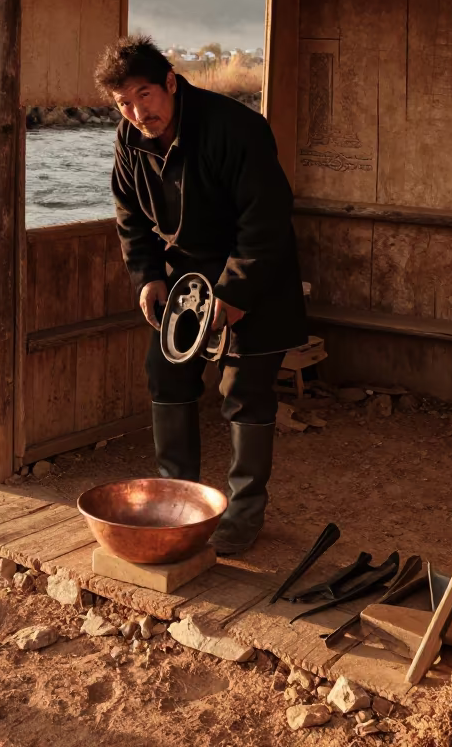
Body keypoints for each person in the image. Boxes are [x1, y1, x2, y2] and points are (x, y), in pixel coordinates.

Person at [95, 35, 308, 554]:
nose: (137, 111)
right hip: (185, 282)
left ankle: (243, 514)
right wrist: (147, 275)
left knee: (244, 391)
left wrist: (235, 294)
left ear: (170, 82)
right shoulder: (130, 138)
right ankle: (177, 500)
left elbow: (266, 220)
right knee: (165, 375)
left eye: (144, 95)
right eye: (124, 103)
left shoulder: (237, 129)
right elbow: (128, 213)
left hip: (257, 276)